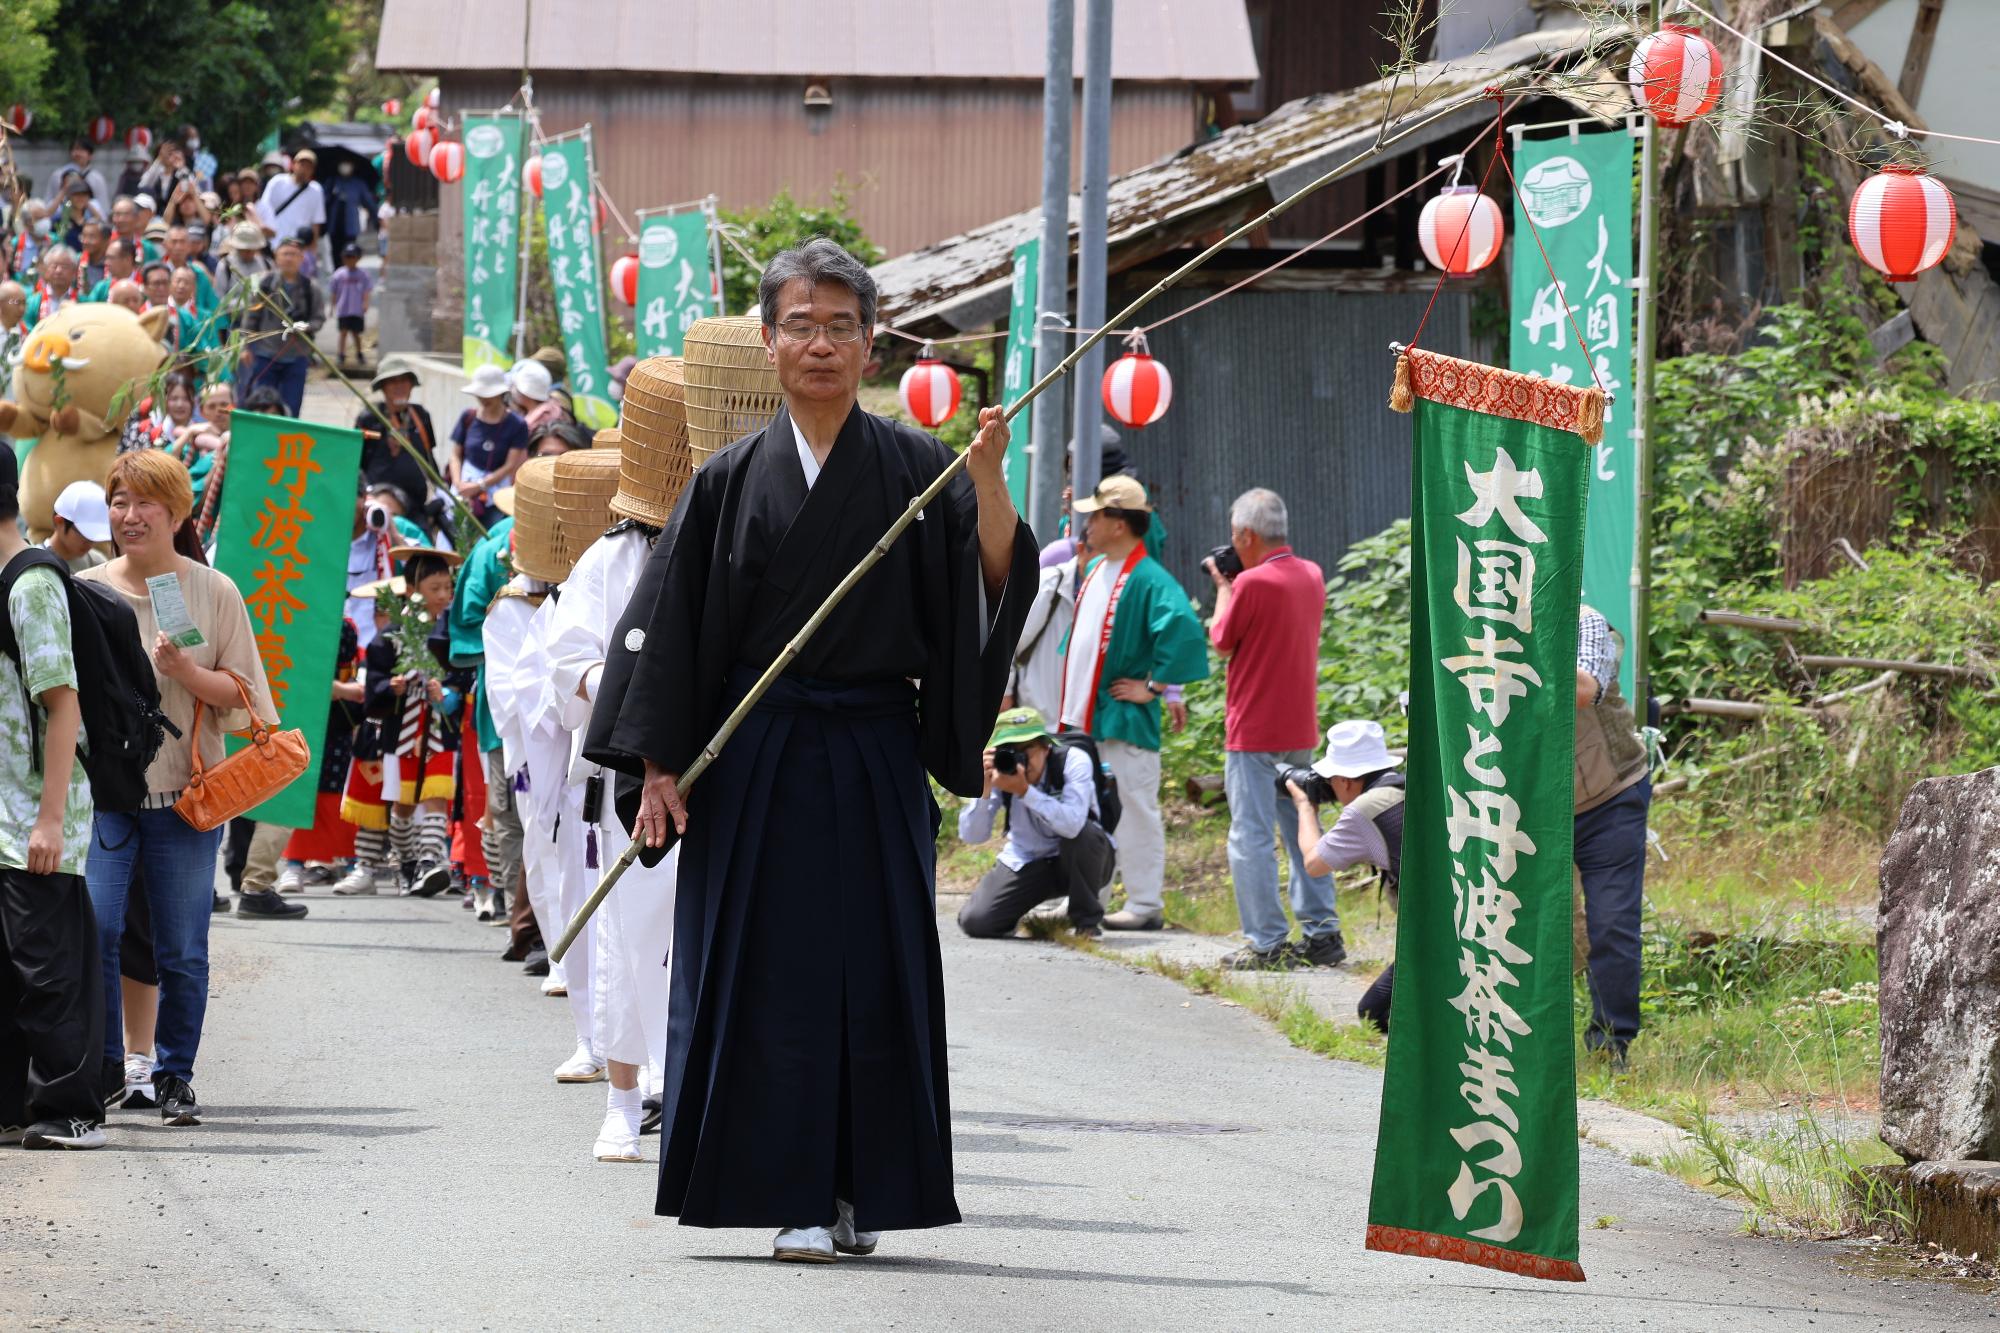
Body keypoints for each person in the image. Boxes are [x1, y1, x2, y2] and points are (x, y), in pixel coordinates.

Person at [586, 238, 1036, 1262]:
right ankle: (782, 1187)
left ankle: (856, 1190)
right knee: (764, 974)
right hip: (754, 757)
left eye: (840, 325)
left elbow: (992, 580)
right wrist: (658, 763)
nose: (820, 344)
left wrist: (990, 484)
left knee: (869, 973)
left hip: (871, 751)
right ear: (768, 340)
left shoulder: (921, 472)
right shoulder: (728, 479)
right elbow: (670, 627)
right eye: (801, 324)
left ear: (871, 344)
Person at [78, 450, 277, 1126]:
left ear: (177, 511)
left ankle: (174, 1076)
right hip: (107, 797)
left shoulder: (212, 591)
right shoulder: (88, 588)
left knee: (183, 946)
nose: (128, 516)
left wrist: (186, 672)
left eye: (143, 503)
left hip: (186, 801)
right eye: (118, 501)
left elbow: (246, 698)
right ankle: (107, 1069)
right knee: (96, 929)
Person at [544, 436, 681, 1162]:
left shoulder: (748, 530)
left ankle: (694, 1090)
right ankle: (626, 1097)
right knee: (631, 936)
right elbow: (568, 661)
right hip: (630, 770)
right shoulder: (613, 557)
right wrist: (633, 696)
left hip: (727, 766)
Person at [0, 447, 106, 1150]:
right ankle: (16, 1104)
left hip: (35, 815)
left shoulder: (33, 585)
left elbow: (63, 708)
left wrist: (48, 819)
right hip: (3, 812)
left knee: (46, 966)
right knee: (12, 969)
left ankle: (69, 1105)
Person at [1059, 475, 1209, 931]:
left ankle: (1144, 905)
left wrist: (1156, 686)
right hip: (1088, 720)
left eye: (1095, 514)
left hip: (1121, 719)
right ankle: (1089, 901)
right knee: (1090, 813)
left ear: (1119, 524)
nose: (1086, 523)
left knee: (1133, 811)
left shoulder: (1146, 576)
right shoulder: (1101, 567)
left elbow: (1183, 626)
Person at [1206, 488, 1344, 971]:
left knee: (1251, 837)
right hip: (1299, 728)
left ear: (1246, 534)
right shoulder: (1312, 574)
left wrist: (1224, 584)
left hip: (1253, 732)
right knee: (1303, 826)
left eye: (1233, 535)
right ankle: (1322, 932)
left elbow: (1222, 640)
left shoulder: (1250, 584)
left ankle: (1266, 941)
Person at [343, 549, 468, 898]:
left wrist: (447, 690)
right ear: (413, 588)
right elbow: (374, 685)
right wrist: (390, 687)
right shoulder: (393, 634)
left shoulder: (452, 630)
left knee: (437, 794)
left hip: (440, 727)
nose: (443, 595)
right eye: (435, 588)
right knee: (402, 805)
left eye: (447, 587)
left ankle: (431, 861)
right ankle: (410, 860)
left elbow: (462, 675)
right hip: (402, 730)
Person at [1573, 605, 1653, 1070]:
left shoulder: (1584, 620)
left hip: (1612, 795)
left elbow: (1583, 688)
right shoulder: (1481, 625)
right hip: (1535, 805)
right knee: (1524, 920)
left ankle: (1609, 1044)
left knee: (1612, 923)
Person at [956, 708, 1116, 940]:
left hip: (1082, 859)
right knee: (976, 923)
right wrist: (983, 791)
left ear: (1045, 746)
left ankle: (1086, 924)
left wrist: (1024, 792)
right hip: (1029, 861)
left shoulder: (1073, 760)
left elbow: (1073, 825)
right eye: (1009, 751)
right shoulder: (1000, 771)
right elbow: (973, 836)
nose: (1018, 759)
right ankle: (1028, 918)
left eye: (1025, 750)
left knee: (1085, 834)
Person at [1286, 720, 1405, 1017]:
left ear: (1347, 780)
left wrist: (1304, 808)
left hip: (1432, 932)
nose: (1331, 788)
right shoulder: (1405, 785)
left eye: (1331, 780)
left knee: (1373, 1014)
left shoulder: (1363, 810)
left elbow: (1314, 863)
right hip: (1459, 912)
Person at [237, 236, 323, 417]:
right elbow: (251, 318)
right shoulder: (264, 284)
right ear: (276, 257)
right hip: (266, 353)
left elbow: (319, 319)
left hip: (297, 355)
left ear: (302, 258)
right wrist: (245, 347)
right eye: (285, 254)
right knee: (262, 405)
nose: (289, 258)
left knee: (291, 406)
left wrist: (305, 327)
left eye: (294, 254)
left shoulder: (311, 288)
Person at [355, 356, 437, 518]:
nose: (399, 386)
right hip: (378, 506)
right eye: (392, 381)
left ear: (411, 385)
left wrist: (441, 490)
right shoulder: (369, 418)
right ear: (383, 387)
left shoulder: (421, 416)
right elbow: (357, 463)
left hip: (416, 507)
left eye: (404, 381)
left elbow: (429, 457)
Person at [449, 365, 529, 520]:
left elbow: (509, 465)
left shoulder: (517, 424)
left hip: (496, 493)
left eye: (489, 394)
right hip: (464, 489)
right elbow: (455, 454)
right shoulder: (468, 416)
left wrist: (480, 485)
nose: (484, 398)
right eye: (480, 394)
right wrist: (459, 483)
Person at [256, 149, 326, 254]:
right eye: (302, 164)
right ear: (293, 164)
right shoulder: (277, 182)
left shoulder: (316, 190)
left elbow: (316, 222)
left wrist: (312, 248)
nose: (304, 169)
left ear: (313, 170)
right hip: (274, 243)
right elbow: (264, 210)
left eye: (308, 167)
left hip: (300, 247)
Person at [46, 482, 111, 575]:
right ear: (59, 521)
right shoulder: (36, 563)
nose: (89, 542)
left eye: (94, 536)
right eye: (83, 534)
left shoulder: (97, 564)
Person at [43, 140, 110, 221]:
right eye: (75, 149)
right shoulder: (58, 175)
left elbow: (103, 208)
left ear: (90, 155)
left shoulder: (97, 178)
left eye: (82, 150)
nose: (77, 153)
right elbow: (48, 203)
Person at [329, 244, 373, 366]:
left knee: (356, 333)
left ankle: (359, 353)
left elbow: (366, 291)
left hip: (356, 309)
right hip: (343, 309)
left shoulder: (363, 274)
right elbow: (333, 291)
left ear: (358, 258)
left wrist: (365, 303)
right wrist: (332, 307)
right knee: (343, 332)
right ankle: (341, 354)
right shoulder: (338, 274)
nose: (349, 260)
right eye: (347, 257)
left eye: (352, 257)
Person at [216, 223, 270, 304]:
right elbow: (219, 299)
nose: (248, 252)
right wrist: (245, 303)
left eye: (251, 249)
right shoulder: (225, 266)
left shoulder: (266, 264)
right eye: (244, 249)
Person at [25, 245, 80, 327]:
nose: (58, 271)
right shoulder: (33, 302)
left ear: (74, 272)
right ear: (46, 269)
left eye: (64, 267)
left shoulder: (83, 301)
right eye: (54, 266)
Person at [84, 238, 138, 302]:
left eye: (111, 258)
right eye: (106, 258)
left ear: (127, 260)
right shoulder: (103, 288)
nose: (106, 262)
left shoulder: (144, 286)